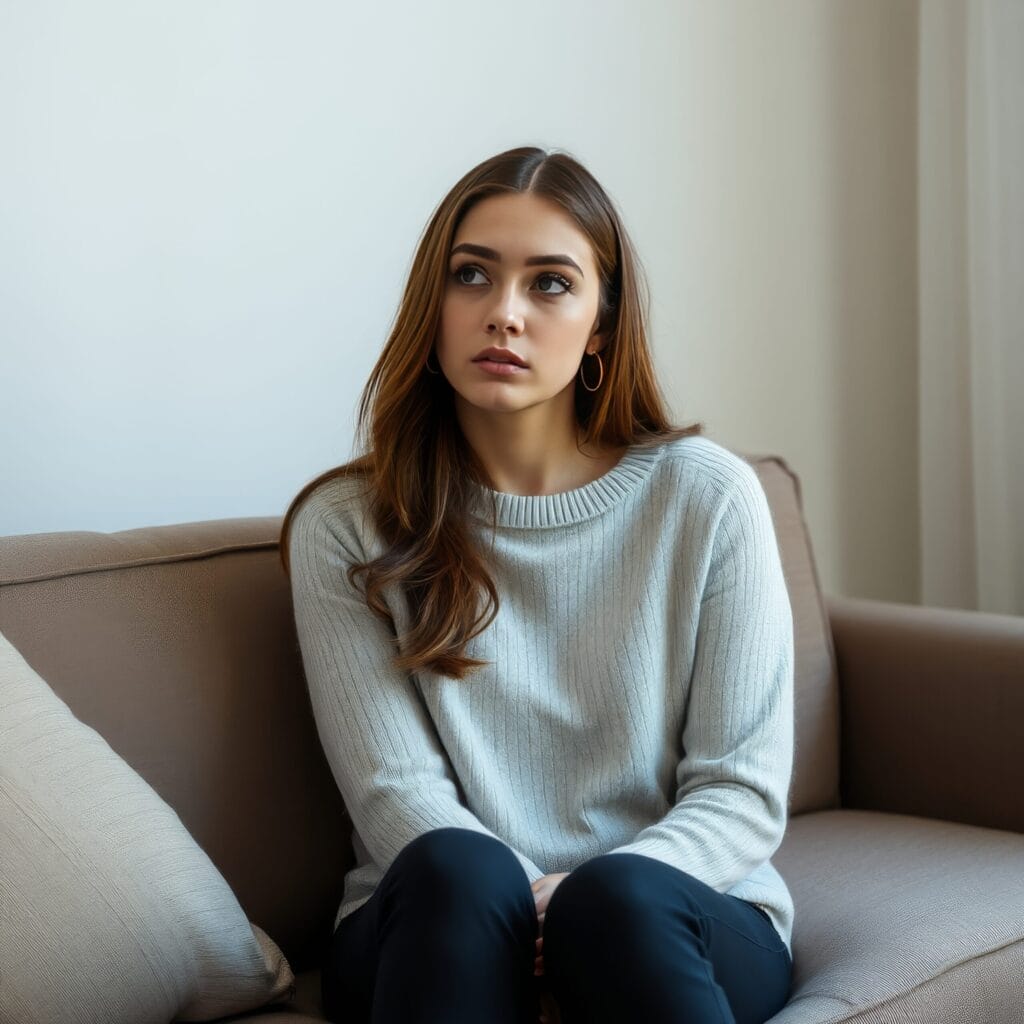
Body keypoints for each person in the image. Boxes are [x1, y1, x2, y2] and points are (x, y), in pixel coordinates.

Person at [280, 145, 795, 1024]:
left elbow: (739, 792)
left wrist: (583, 897)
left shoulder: (707, 498)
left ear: (601, 323)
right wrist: (529, 904)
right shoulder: (347, 522)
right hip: (439, 921)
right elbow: (392, 792)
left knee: (619, 904)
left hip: (669, 910)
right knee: (456, 868)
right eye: (471, 276)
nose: (504, 314)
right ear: (431, 309)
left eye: (549, 283)